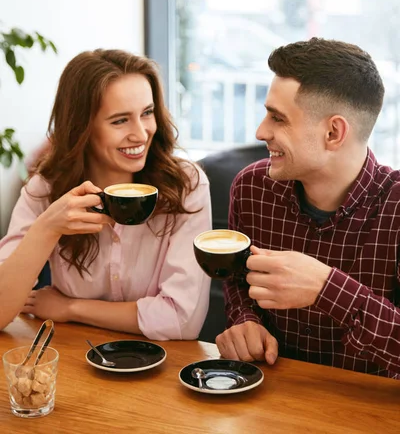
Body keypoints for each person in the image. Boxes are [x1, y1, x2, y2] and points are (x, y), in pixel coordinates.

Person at [216, 38, 400, 378]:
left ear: (333, 132)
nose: (260, 131)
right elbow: (238, 281)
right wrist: (246, 322)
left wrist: (326, 288)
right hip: (269, 402)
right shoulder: (252, 188)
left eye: (277, 118)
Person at [0, 49, 211, 339]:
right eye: (120, 120)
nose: (141, 133)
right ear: (82, 128)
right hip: (75, 360)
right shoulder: (45, 190)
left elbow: (181, 320)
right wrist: (47, 227)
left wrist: (72, 308)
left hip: (163, 367)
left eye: (147, 113)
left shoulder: (186, 185)